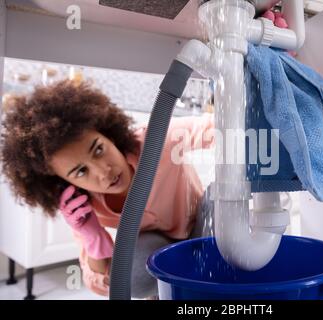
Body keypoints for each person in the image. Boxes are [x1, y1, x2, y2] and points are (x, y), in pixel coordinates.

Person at [0, 79, 215, 298]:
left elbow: (218, 128)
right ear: (67, 183)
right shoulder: (84, 206)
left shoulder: (155, 140)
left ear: (109, 136)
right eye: (81, 172)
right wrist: (93, 237)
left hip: (206, 232)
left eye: (99, 149)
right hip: (162, 254)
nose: (104, 172)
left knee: (218, 195)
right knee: (131, 270)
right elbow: (104, 285)